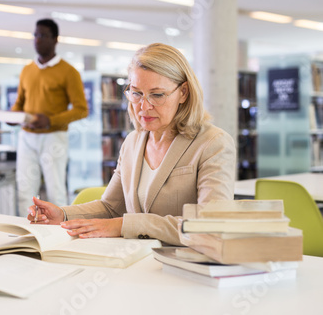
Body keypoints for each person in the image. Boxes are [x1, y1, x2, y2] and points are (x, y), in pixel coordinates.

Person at [28, 43, 236, 246]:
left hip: (181, 266)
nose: (144, 106)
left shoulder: (213, 144)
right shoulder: (133, 142)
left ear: (183, 92)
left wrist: (123, 226)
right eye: (136, 93)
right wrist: (62, 214)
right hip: (133, 258)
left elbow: (210, 226)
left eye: (157, 94)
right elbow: (111, 207)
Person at [11, 18, 88, 216]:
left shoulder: (69, 72)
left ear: (55, 39)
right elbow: (19, 103)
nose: (37, 40)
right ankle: (25, 231)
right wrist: (12, 116)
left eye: (43, 35)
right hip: (26, 136)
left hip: (53, 136)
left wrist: (50, 120)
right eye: (35, 35)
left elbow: (81, 109)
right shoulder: (27, 70)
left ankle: (60, 233)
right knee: (24, 190)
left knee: (56, 192)